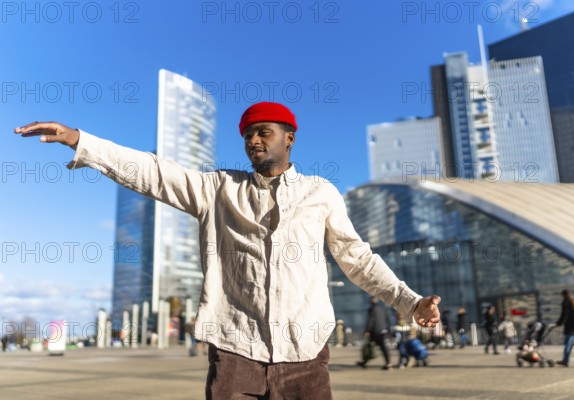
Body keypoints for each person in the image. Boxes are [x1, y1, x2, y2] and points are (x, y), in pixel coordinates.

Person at [14, 102, 441, 399]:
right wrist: (79, 141)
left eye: (264, 132)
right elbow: (152, 173)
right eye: (248, 135)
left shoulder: (320, 193)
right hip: (236, 352)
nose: (254, 141)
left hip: (306, 354)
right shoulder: (217, 188)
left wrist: (410, 300)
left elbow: (357, 258)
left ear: (289, 138)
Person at [357, 297, 392, 370]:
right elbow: (387, 320)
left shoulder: (372, 309)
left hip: (376, 332)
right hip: (384, 331)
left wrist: (367, 330)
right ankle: (388, 363)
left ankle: (364, 362)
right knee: (384, 348)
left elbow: (371, 320)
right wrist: (388, 330)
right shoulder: (383, 309)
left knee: (370, 347)